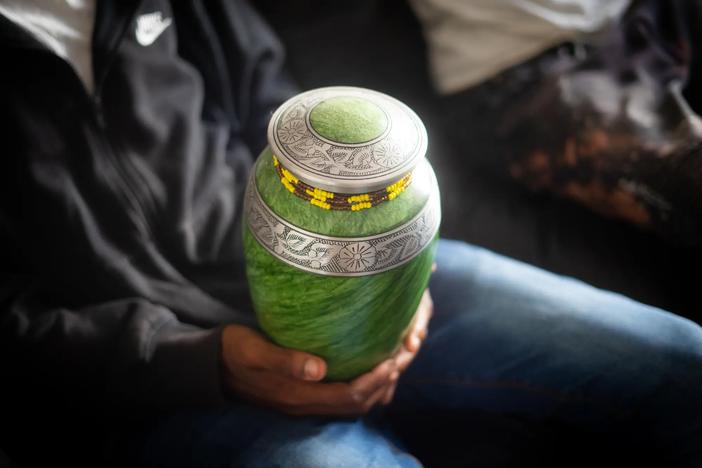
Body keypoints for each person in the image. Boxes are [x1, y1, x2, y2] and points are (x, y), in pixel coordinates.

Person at [0, 1, 700, 467]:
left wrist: (400, 265)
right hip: (155, 384)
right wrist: (192, 361)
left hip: (352, 269)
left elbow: (280, 106)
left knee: (678, 361)